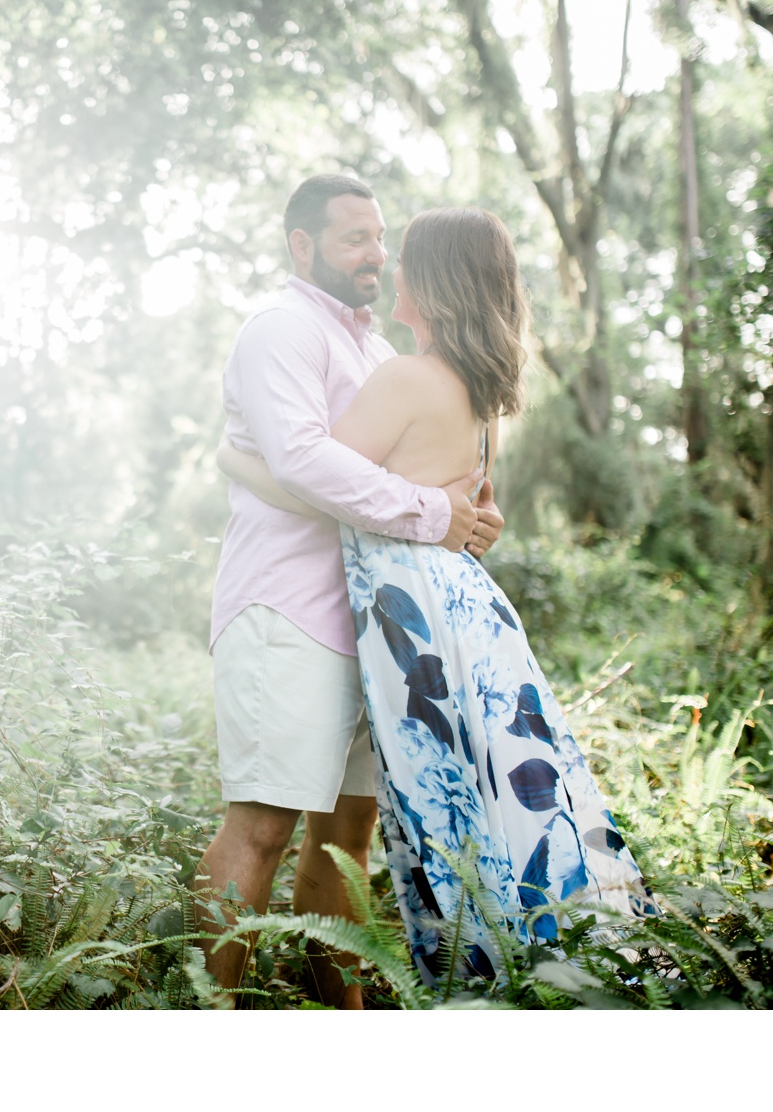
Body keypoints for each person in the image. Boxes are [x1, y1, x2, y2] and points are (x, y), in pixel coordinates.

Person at [220, 206, 655, 983]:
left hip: (406, 618)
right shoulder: (474, 391)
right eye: (366, 241)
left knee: (385, 825)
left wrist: (236, 458)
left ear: (436, 281)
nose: (386, 263)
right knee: (475, 804)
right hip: (455, 617)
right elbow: (467, 503)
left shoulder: (402, 373)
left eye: (400, 252)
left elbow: (317, 479)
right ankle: (539, 960)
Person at [198, 174, 504, 1008]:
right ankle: (208, 1017)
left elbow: (418, 469)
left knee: (345, 838)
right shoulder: (281, 331)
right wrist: (427, 513)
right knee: (262, 825)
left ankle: (344, 1023)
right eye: (351, 239)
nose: (375, 254)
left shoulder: (381, 352)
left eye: (379, 237)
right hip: (290, 611)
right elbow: (303, 460)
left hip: (379, 625)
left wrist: (468, 510)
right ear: (301, 246)